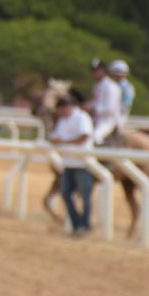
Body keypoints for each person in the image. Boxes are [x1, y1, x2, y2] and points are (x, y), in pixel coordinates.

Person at [48, 96, 95, 236]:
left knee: (85, 196)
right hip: (68, 163)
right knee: (66, 194)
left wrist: (63, 142)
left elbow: (84, 137)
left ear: (66, 107)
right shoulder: (62, 120)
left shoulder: (82, 117)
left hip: (82, 163)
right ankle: (77, 225)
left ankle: (85, 224)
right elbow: (54, 137)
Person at [88, 57, 122, 147]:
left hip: (108, 121)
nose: (95, 73)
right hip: (96, 119)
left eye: (98, 70)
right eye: (94, 70)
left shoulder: (111, 87)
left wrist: (92, 108)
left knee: (95, 137)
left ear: (104, 71)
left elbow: (110, 108)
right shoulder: (97, 86)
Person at [109, 59, 135, 128]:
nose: (116, 76)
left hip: (121, 115)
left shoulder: (128, 88)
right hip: (108, 114)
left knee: (116, 127)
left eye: (119, 74)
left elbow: (127, 104)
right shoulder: (110, 85)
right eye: (114, 74)